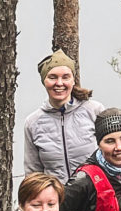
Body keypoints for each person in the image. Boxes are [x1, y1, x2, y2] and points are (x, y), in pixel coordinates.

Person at [22, 51, 105, 182]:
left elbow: (111, 156)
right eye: (52, 77)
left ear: (73, 80)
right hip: (56, 194)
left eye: (66, 77)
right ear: (44, 81)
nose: (59, 83)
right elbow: (33, 173)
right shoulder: (33, 123)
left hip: (94, 192)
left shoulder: (94, 111)